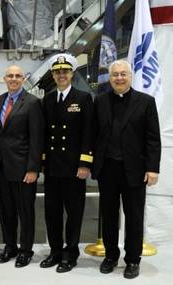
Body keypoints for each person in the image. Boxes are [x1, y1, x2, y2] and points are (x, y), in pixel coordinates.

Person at [92, 60, 161, 279]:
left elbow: (153, 139)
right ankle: (111, 256)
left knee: (134, 217)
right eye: (115, 75)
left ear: (130, 77)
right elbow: (93, 135)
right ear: (110, 78)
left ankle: (132, 259)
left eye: (123, 74)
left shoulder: (146, 102)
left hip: (135, 170)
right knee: (109, 215)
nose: (119, 78)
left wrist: (152, 168)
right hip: (107, 169)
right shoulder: (100, 101)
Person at [40, 53, 94, 273]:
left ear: (72, 74)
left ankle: (70, 253)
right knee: (51, 212)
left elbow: (88, 132)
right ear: (53, 75)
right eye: (57, 72)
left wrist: (85, 163)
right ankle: (55, 252)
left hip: (74, 168)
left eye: (65, 71)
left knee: (74, 212)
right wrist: (43, 161)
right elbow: (44, 134)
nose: (61, 75)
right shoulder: (48, 99)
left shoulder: (83, 98)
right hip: (53, 167)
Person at [0, 65, 44, 268]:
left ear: (23, 79)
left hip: (24, 168)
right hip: (2, 167)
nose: (14, 79)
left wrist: (33, 168)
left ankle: (25, 250)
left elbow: (36, 138)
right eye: (10, 76)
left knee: (25, 212)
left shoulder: (32, 103)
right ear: (4, 79)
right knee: (6, 211)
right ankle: (10, 246)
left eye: (18, 76)